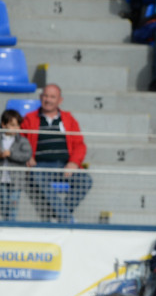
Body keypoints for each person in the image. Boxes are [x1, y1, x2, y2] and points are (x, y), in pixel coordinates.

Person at [21, 85, 93, 224]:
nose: (48, 100)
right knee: (35, 174)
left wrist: (73, 163)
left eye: (52, 97)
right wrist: (27, 155)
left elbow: (80, 144)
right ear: (41, 97)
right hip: (41, 166)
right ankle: (66, 217)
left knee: (86, 180)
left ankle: (58, 216)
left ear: (60, 100)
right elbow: (20, 140)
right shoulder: (29, 119)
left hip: (65, 166)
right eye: (46, 96)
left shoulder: (69, 119)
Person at [0, 109, 31, 221]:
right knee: (3, 203)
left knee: (13, 203)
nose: (16, 128)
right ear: (4, 124)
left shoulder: (22, 141)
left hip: (16, 180)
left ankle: (11, 224)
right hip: (2, 179)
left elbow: (26, 155)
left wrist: (10, 154)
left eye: (18, 125)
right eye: (12, 125)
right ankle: (5, 223)